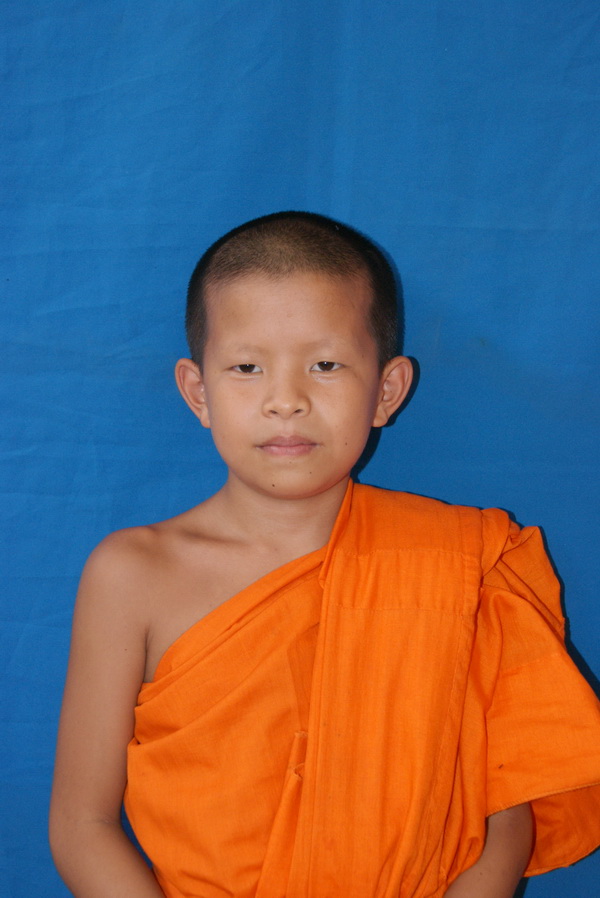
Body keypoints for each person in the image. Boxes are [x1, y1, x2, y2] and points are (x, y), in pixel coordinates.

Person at [50, 211, 600, 898]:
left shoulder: (464, 565)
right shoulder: (133, 575)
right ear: (198, 392)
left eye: (326, 365)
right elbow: (82, 823)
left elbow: (505, 809)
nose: (286, 401)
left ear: (386, 391)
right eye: (247, 367)